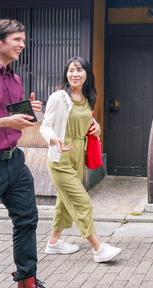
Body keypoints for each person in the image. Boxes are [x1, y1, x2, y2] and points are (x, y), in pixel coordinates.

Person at [0, 20, 66, 288]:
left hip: (14, 161)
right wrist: (7, 120)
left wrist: (26, 113)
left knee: (27, 220)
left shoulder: (15, 78)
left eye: (23, 40)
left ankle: (27, 285)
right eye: (17, 39)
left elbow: (10, 120)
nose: (23, 44)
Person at [40, 57, 121, 264]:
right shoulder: (59, 97)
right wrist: (53, 139)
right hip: (60, 155)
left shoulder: (87, 97)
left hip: (78, 154)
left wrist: (96, 126)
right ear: (66, 74)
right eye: (70, 70)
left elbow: (86, 119)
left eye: (79, 70)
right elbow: (45, 125)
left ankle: (54, 243)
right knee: (81, 201)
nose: (74, 74)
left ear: (87, 75)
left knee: (64, 202)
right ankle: (98, 247)